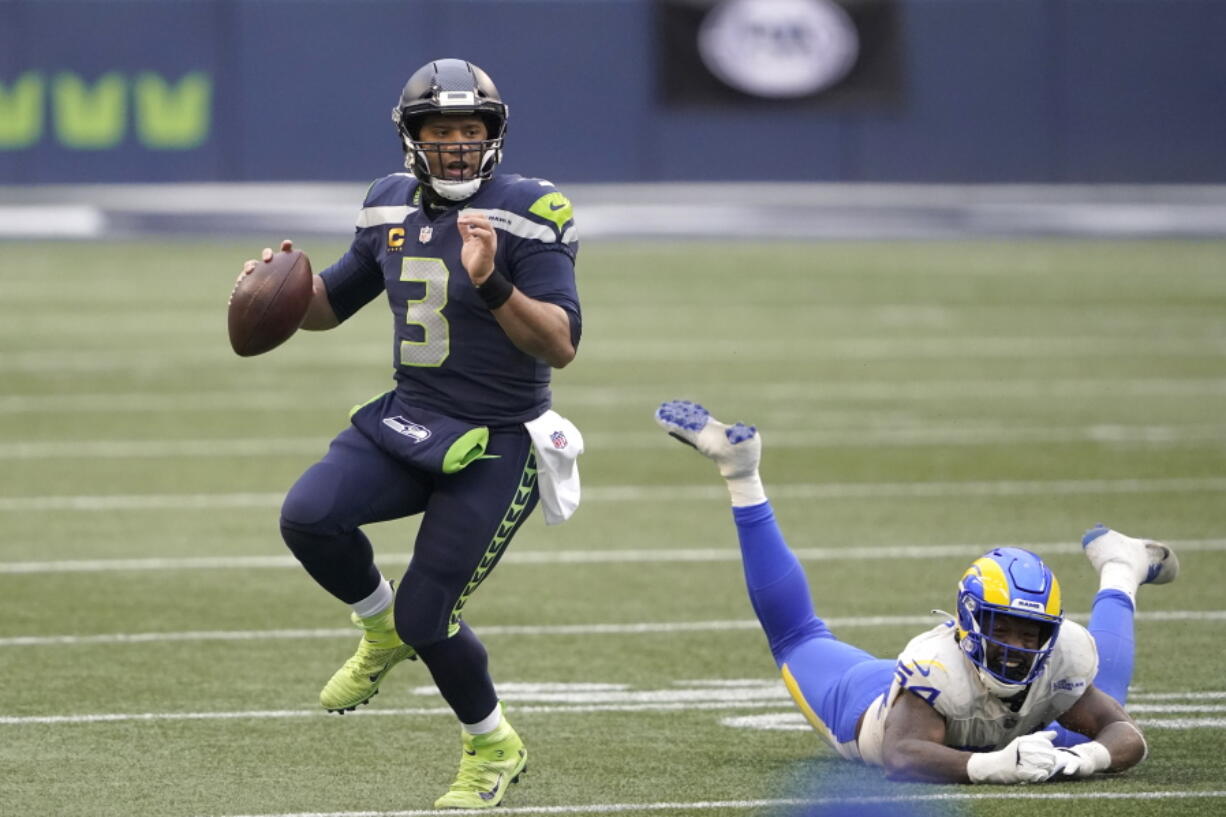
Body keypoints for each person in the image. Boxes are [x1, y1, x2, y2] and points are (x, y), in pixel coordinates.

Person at [237, 59, 582, 809]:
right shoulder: (385, 204)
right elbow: (331, 302)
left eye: (470, 129)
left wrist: (493, 281)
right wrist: (276, 289)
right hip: (411, 413)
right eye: (439, 130)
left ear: (493, 136)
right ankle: (377, 624)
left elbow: (559, 343)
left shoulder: (531, 209)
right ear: (411, 138)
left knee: (432, 615)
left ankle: (493, 744)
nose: (456, 144)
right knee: (308, 516)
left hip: (499, 437)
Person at [654, 399, 1180, 784]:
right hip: (870, 702)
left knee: (1089, 707)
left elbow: (1123, 733)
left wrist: (1084, 759)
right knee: (795, 636)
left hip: (1006, 723)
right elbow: (904, 756)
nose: (1019, 645)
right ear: (969, 623)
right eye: (1006, 628)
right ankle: (742, 476)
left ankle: (1120, 564)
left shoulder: (1061, 655)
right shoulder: (938, 667)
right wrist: (988, 766)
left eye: (1032, 631)